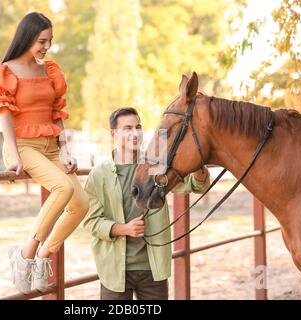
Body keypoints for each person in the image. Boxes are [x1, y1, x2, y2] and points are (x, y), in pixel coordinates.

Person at [0, 12, 89, 294]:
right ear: (27, 37)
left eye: (50, 41)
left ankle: (43, 256)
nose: (47, 46)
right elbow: (4, 115)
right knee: (63, 188)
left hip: (51, 147)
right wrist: (15, 155)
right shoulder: (4, 71)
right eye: (42, 40)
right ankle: (25, 253)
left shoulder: (50, 70)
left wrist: (65, 149)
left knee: (81, 204)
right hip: (23, 146)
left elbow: (58, 114)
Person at [83, 107, 210, 300]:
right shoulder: (98, 175)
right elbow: (91, 221)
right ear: (113, 134)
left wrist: (200, 164)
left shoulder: (157, 167)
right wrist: (123, 229)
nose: (135, 134)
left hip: (153, 268)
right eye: (127, 128)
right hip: (116, 270)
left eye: (138, 127)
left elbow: (196, 185)